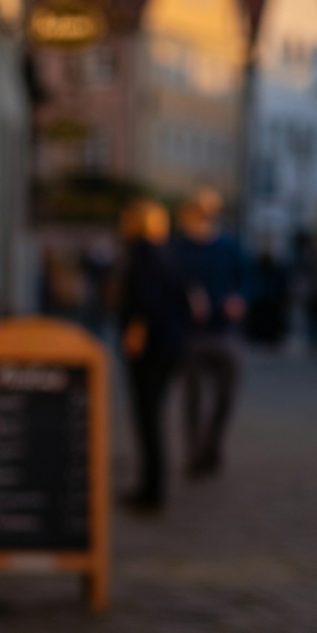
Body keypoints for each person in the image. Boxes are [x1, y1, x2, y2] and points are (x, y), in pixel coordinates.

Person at [116, 199, 193, 512]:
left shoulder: (143, 252)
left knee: (148, 418)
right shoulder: (170, 252)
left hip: (150, 348)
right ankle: (152, 486)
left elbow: (145, 299)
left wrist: (136, 331)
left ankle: (152, 491)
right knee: (154, 416)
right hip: (171, 346)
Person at [170, 188, 245, 478]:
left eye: (211, 214)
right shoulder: (179, 248)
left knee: (225, 396)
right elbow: (169, 281)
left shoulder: (228, 246)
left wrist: (240, 297)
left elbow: (247, 277)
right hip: (191, 334)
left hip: (224, 332)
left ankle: (212, 447)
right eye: (200, 214)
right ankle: (195, 454)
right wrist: (188, 293)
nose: (205, 220)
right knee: (193, 398)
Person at [292, 233, 317, 360]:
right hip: (316, 296)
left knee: (316, 321)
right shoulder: (313, 265)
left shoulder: (310, 265)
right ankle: (315, 343)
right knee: (315, 321)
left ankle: (315, 343)